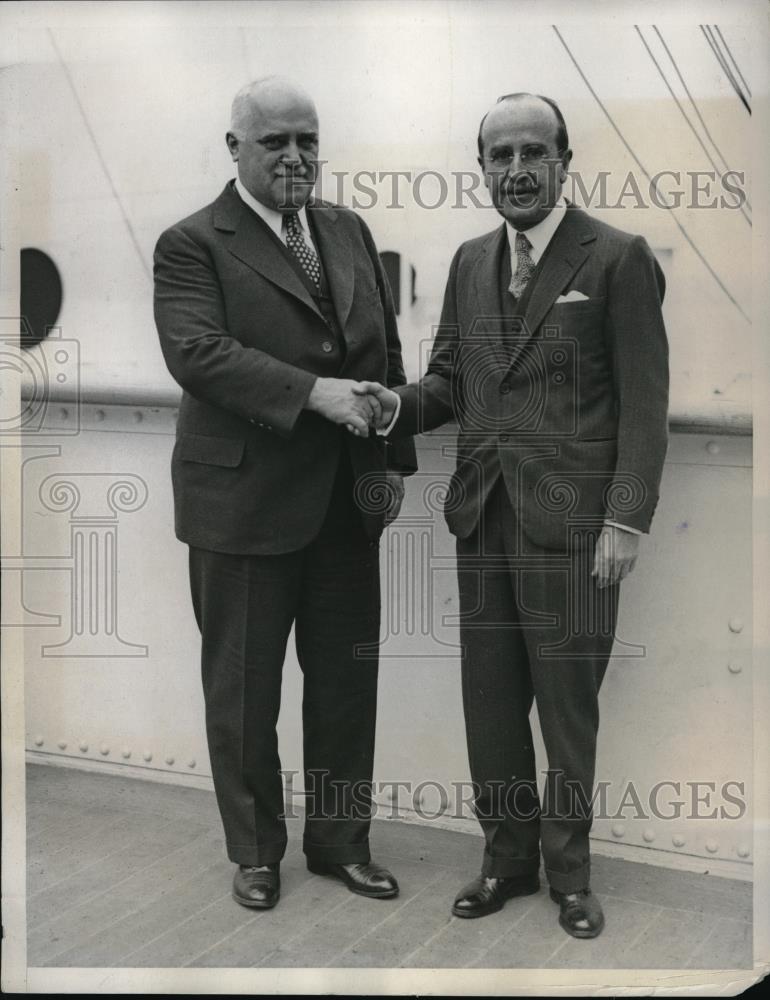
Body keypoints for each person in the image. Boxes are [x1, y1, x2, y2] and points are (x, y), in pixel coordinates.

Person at [356, 92, 669, 938]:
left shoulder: (617, 258)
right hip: (484, 516)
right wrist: (393, 407)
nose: (518, 170)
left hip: (574, 530)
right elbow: (450, 378)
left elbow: (646, 404)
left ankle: (572, 875)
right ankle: (507, 860)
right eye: (502, 156)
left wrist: (626, 520)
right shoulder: (468, 261)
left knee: (567, 709)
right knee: (489, 702)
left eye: (535, 153)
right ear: (484, 168)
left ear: (566, 161)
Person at [153, 76, 416, 911]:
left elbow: (385, 352)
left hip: (345, 501)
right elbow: (197, 353)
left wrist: (393, 463)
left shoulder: (346, 229)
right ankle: (257, 852)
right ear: (235, 148)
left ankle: (341, 843)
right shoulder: (192, 242)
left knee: (345, 684)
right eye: (276, 143)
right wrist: (317, 393)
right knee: (243, 692)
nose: (297, 156)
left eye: (308, 140)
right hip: (242, 507)